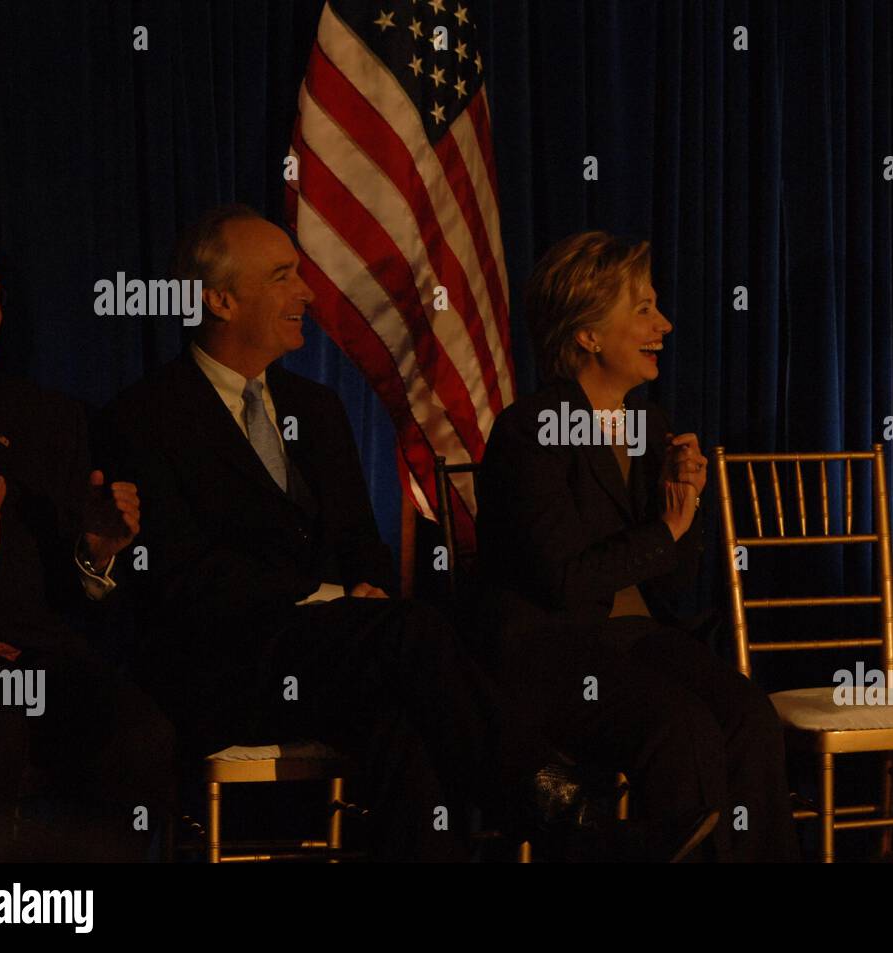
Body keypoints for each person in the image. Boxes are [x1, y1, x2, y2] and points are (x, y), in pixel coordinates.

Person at [100, 206, 715, 861]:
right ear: (221, 299)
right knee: (413, 633)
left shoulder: (318, 408)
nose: (306, 292)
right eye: (284, 277)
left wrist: (359, 588)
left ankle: (567, 819)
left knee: (414, 723)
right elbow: (181, 580)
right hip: (228, 666)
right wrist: (327, 598)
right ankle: (564, 814)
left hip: (342, 657)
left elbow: (364, 545)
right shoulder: (145, 417)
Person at [475, 230, 800, 862]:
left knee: (749, 714)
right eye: (643, 310)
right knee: (681, 728)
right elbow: (565, 582)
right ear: (588, 334)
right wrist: (666, 529)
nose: (666, 324)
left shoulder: (649, 425)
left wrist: (685, 504)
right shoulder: (532, 428)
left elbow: (672, 586)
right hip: (550, 649)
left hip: (639, 640)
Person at [0, 223, 174, 861]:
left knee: (139, 733)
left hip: (40, 661)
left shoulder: (48, 418)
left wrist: (97, 551)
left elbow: (81, 595)